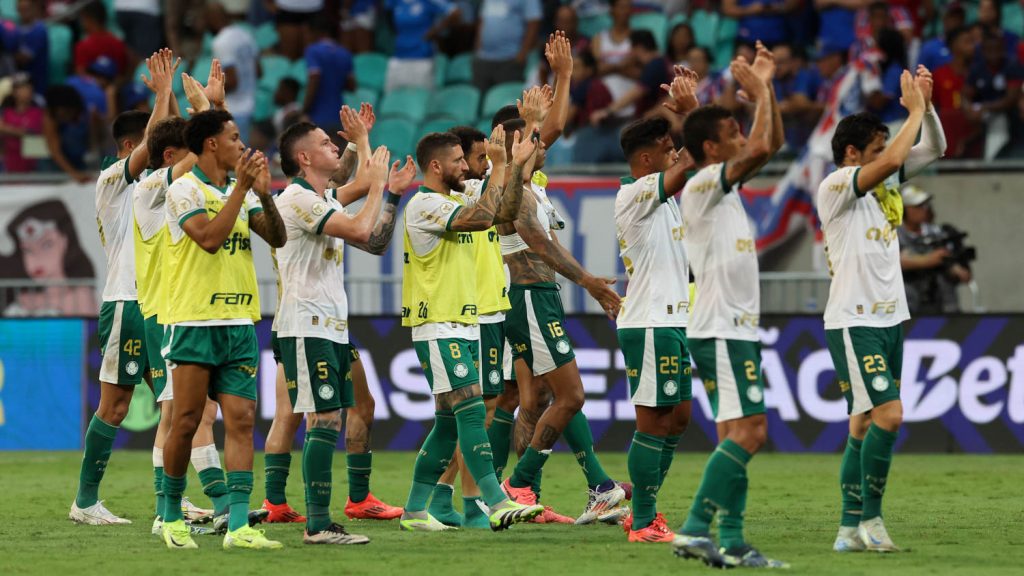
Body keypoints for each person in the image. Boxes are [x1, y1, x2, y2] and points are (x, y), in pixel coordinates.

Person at [817, 65, 945, 553]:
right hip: (855, 320)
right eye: (876, 147)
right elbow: (892, 161)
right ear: (852, 154)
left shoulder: (884, 182)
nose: (888, 154)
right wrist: (912, 110)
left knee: (864, 422)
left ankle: (849, 531)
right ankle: (870, 519)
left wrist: (926, 110)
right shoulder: (838, 186)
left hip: (891, 317)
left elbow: (933, 148)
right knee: (889, 415)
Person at [272, 108, 416, 543]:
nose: (332, 146)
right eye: (324, 143)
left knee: (329, 417)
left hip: (330, 324)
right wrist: (368, 159)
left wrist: (361, 144)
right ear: (304, 157)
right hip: (305, 322)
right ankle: (316, 524)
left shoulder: (322, 198)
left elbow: (360, 194)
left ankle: (323, 513)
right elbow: (359, 229)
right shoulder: (296, 199)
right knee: (322, 418)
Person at [672, 45, 786, 569]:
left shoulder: (725, 186)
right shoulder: (701, 184)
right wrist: (761, 90)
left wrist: (767, 92)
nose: (743, 138)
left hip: (730, 325)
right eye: (732, 134)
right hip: (720, 326)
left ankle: (733, 541)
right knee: (751, 432)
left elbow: (770, 142)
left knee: (734, 433)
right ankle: (695, 529)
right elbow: (762, 148)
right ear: (713, 149)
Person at [397, 128, 543, 532]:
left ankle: (412, 510)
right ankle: (495, 501)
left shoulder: (453, 198)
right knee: (473, 409)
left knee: (447, 423)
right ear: (436, 166)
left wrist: (509, 167)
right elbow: (480, 219)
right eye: (460, 160)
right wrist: (497, 165)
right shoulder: (424, 205)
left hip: (461, 322)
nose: (466, 166)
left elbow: (503, 213)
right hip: (437, 323)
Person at [158, 108, 287, 550]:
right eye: (234, 137)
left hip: (238, 323)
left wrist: (265, 195)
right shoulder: (183, 189)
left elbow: (277, 237)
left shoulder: (241, 190)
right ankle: (172, 515)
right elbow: (209, 239)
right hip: (194, 321)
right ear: (212, 144)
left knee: (242, 420)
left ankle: (237, 526)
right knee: (187, 420)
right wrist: (244, 190)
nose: (242, 145)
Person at [136, 65, 250, 537]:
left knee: (198, 415)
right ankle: (173, 507)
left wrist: (211, 112)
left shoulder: (197, 184)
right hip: (170, 311)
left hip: (202, 308)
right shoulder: (155, 188)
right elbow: (200, 156)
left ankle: (216, 504)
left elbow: (210, 153)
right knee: (178, 415)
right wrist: (205, 109)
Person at [69, 50, 173, 527]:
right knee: (115, 404)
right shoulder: (113, 181)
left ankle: (173, 501)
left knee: (180, 403)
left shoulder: (159, 188)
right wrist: (164, 94)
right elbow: (156, 143)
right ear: (131, 145)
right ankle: (85, 501)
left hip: (161, 306)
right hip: (126, 302)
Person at [612, 70, 698, 544]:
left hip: (671, 321)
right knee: (655, 420)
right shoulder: (635, 193)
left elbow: (694, 162)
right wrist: (690, 113)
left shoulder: (662, 199)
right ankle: (644, 521)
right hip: (649, 322)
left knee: (679, 418)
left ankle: (644, 508)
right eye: (668, 149)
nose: (676, 154)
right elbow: (691, 162)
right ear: (648, 160)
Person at [3, 199, 97, 317]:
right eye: (27, 250)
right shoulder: (22, 298)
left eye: (47, 245)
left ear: (66, 241)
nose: (37, 258)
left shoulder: (81, 295)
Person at [898, 185, 970, 314]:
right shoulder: (894, 233)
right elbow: (893, 262)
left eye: (926, 205)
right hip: (908, 306)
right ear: (904, 209)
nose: (924, 210)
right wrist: (928, 260)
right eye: (918, 206)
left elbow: (964, 274)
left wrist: (954, 266)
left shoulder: (938, 233)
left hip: (943, 305)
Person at [590, 30, 671, 124]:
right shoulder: (662, 61)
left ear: (638, 48)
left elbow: (638, 91)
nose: (630, 53)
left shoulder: (655, 65)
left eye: (631, 48)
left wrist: (607, 111)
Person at [208, 1, 258, 142]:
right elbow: (259, 70)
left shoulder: (221, 41)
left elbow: (232, 81)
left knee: (238, 160)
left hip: (234, 110)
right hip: (253, 105)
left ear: (213, 18)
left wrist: (209, 94)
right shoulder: (245, 35)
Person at [384, 0, 460, 92]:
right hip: (399, 56)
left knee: (421, 100)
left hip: (422, 59)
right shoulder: (394, 2)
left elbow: (455, 13)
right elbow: (388, 16)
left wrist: (434, 31)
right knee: (392, 99)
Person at [473, 0, 542, 94]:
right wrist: (478, 49)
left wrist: (522, 53)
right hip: (483, 58)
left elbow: (533, 22)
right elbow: (482, 20)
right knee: (479, 99)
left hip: (510, 59)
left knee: (505, 101)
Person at [303, 19, 354, 139]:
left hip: (318, 115)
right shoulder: (345, 53)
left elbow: (315, 77)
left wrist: (305, 109)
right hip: (338, 114)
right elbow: (351, 86)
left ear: (315, 32)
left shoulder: (313, 51)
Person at [41, 85, 91, 183]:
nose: (63, 115)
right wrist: (74, 174)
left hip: (79, 162)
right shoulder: (50, 120)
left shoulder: (84, 116)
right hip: (55, 167)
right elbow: (55, 152)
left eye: (66, 112)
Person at [0, 0, 49, 95]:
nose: (23, 12)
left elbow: (25, 58)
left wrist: (5, 50)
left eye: (26, 9)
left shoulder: (39, 29)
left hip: (36, 85)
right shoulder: (16, 27)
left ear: (34, 8)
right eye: (21, 9)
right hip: (16, 84)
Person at [0, 74, 44, 173]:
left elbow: (31, 133)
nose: (25, 91)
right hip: (8, 164)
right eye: (21, 88)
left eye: (28, 87)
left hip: (32, 165)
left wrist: (5, 129)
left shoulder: (38, 112)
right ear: (13, 92)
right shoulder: (6, 112)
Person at [74, 1, 128, 76]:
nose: (81, 23)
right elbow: (122, 74)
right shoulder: (118, 43)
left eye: (82, 19)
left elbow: (81, 75)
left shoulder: (83, 46)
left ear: (89, 19)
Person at [723, 0, 800, 48]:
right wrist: (750, 10)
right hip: (747, 39)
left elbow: (793, 5)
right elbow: (728, 9)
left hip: (780, 38)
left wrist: (778, 8)